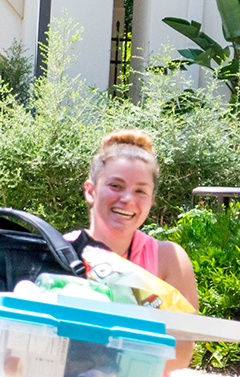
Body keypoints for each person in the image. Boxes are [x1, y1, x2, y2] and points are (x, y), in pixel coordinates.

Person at [65, 129, 199, 372]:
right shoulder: (62, 252)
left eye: (140, 190)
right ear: (90, 190)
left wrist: (96, 351)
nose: (127, 198)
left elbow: (181, 353)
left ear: (152, 199)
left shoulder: (170, 260)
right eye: (116, 186)